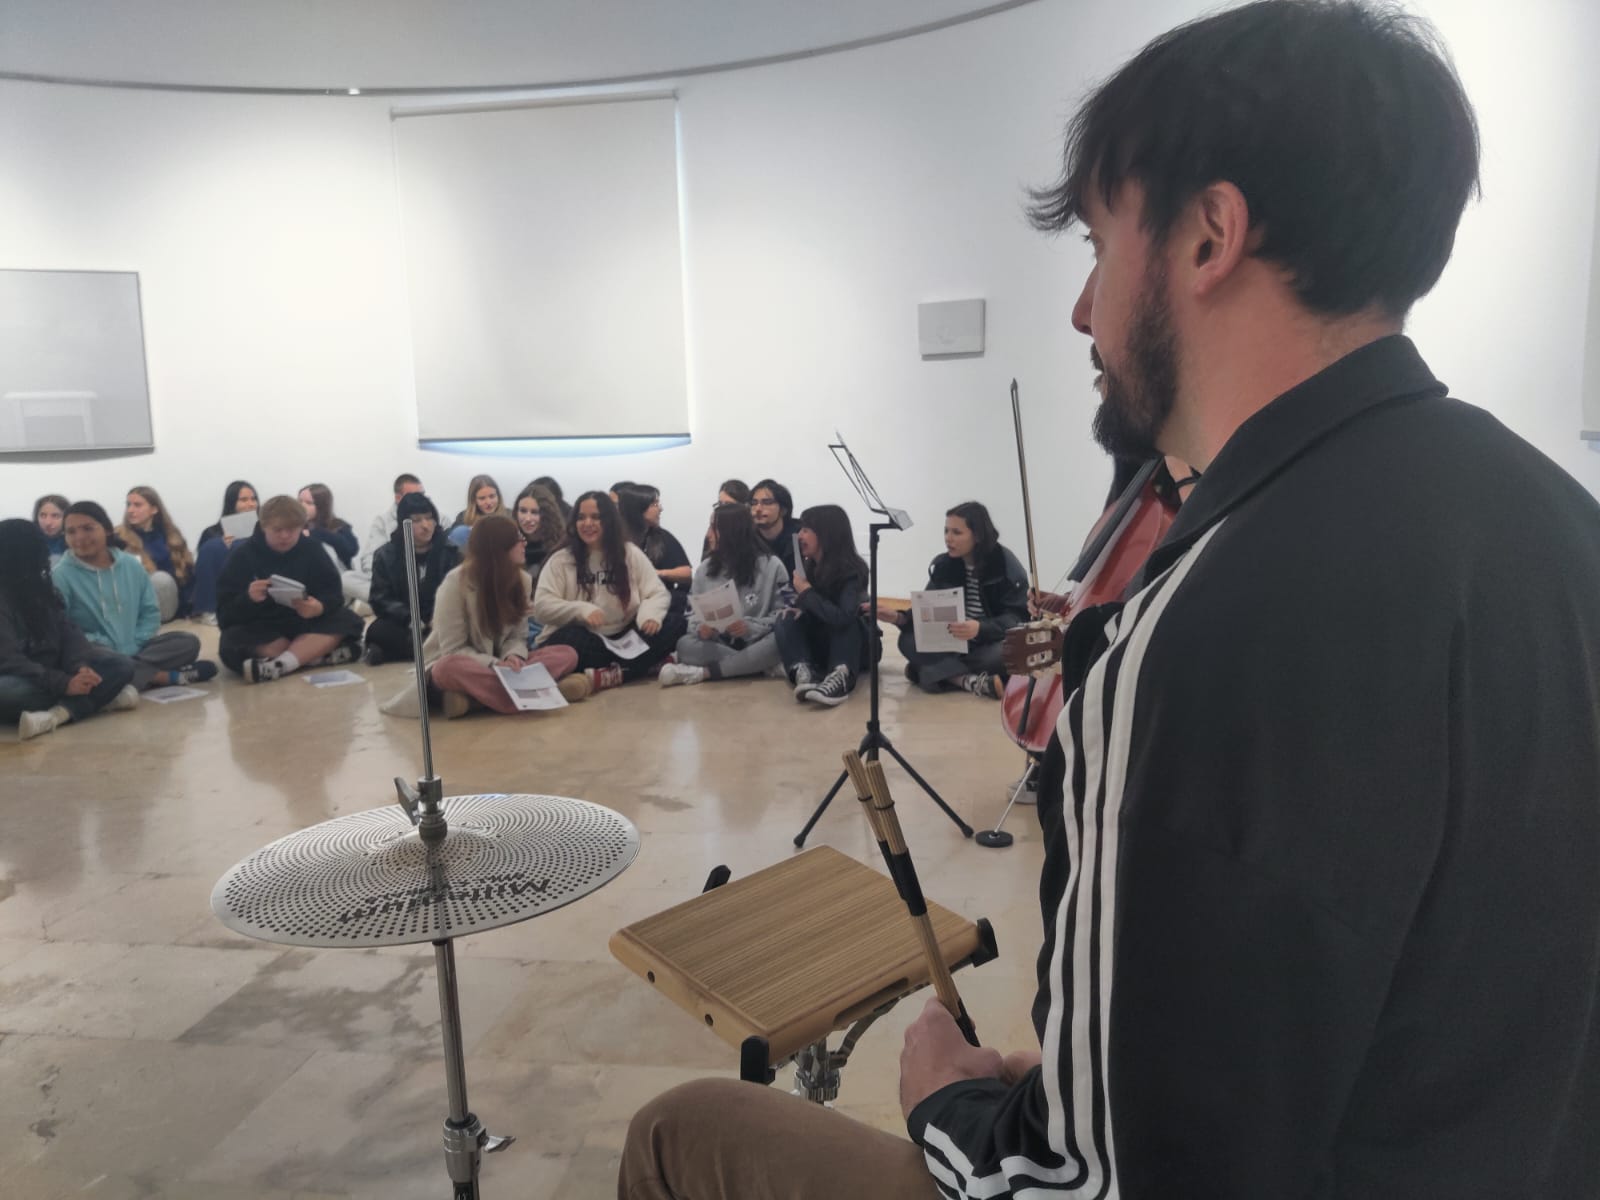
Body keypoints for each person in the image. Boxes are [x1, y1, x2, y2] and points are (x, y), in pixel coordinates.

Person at [621, 5, 1600, 1199]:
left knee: (683, 1130)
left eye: (1096, 244)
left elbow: (1087, 1187)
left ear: (1208, 236)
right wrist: (1092, 1081)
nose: (1083, 309)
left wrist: (949, 1104)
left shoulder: (1197, 628)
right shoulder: (1563, 526)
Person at [421, 513, 588, 716]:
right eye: (518, 539)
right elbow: (453, 649)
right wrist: (494, 664)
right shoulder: (455, 583)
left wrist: (513, 656)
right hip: (469, 663)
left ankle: (476, 700)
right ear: (498, 548)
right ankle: (531, 693)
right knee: (446, 668)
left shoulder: (522, 581)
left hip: (502, 664)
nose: (524, 544)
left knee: (567, 653)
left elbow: (518, 636)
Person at [53, 501, 217, 689]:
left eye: (88, 529)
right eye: (71, 532)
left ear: (107, 530)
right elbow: (65, 630)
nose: (79, 537)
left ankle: (127, 678)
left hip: (138, 646)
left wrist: (136, 642)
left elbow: (150, 612)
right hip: (97, 650)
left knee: (188, 643)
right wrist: (106, 644)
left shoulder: (130, 565)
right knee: (93, 658)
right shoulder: (61, 575)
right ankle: (164, 677)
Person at [0, 519, 137, 741]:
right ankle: (101, 699)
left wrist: (80, 667)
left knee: (121, 664)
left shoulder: (38, 587)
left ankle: (58, 715)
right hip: (22, 678)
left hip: (54, 673)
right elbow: (8, 660)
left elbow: (69, 633)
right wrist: (63, 683)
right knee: (5, 690)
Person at [874, 502, 1028, 699]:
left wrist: (980, 628)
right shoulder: (944, 565)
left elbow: (1017, 618)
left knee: (1007, 653)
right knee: (907, 641)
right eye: (946, 531)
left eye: (956, 532)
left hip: (989, 642)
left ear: (978, 535)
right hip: (951, 641)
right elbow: (925, 611)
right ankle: (967, 680)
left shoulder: (1005, 564)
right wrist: (899, 617)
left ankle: (932, 672)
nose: (948, 538)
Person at [532, 491, 681, 692]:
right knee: (567, 640)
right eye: (581, 517)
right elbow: (542, 607)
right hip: (588, 638)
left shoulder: (629, 553)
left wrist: (649, 616)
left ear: (609, 521)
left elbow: (656, 592)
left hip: (625, 636)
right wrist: (581, 610)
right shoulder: (561, 559)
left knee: (675, 623)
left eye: (596, 517)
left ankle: (612, 674)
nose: (587, 523)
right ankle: (641, 667)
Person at [215, 495, 364, 683]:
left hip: (304, 623)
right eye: (277, 530)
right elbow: (224, 615)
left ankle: (280, 665)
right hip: (263, 627)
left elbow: (334, 595)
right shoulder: (242, 556)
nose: (284, 536)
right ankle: (313, 657)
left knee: (347, 619)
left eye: (292, 530)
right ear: (263, 526)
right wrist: (248, 598)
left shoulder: (312, 549)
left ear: (302, 527)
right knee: (230, 641)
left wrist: (319, 607)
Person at [661, 502, 788, 687]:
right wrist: (701, 629)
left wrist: (749, 627)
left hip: (757, 641)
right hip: (718, 643)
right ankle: (758, 666)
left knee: (779, 642)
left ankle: (705, 673)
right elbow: (690, 615)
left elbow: (784, 615)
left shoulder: (772, 565)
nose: (708, 535)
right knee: (684, 645)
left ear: (731, 532)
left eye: (713, 528)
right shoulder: (705, 569)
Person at [773, 504, 869, 707]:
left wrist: (807, 592)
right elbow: (817, 610)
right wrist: (801, 608)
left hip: (853, 646)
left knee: (847, 622)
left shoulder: (852, 571)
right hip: (824, 643)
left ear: (826, 535)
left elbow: (843, 616)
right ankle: (804, 670)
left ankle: (840, 677)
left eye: (806, 530)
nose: (799, 535)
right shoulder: (810, 566)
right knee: (785, 618)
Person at [363, 492, 461, 666]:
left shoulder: (450, 551)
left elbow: (459, 593)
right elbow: (379, 598)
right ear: (404, 524)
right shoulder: (386, 555)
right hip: (407, 622)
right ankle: (430, 650)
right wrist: (409, 618)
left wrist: (439, 616)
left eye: (429, 518)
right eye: (416, 520)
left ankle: (399, 652)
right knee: (377, 630)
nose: (425, 525)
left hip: (441, 619)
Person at [116, 485, 194, 621]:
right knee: (160, 579)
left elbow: (187, 572)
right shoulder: (119, 538)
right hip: (140, 607)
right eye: (128, 505)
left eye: (137, 505)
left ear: (154, 509)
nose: (130, 510)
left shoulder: (170, 535)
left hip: (172, 604)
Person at [190, 480, 259, 624]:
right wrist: (224, 545)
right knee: (212, 546)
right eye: (244, 500)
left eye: (253, 499)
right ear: (232, 503)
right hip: (223, 582)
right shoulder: (211, 532)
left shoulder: (265, 528)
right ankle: (209, 610)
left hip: (251, 582)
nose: (251, 504)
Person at [350, 473, 425, 603]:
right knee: (347, 578)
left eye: (422, 495)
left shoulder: (438, 519)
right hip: (392, 581)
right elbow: (370, 557)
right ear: (398, 498)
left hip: (423, 578)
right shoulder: (382, 521)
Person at [617, 483, 693, 596]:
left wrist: (657, 573)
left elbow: (686, 573)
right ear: (638, 508)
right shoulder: (615, 539)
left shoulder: (662, 536)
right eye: (655, 504)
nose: (660, 509)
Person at [512, 482, 566, 591]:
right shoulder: (510, 543)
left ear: (547, 515)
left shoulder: (560, 546)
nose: (527, 518)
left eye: (534, 512)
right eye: (523, 511)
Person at [298, 483, 360, 574]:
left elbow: (351, 549)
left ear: (322, 506)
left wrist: (314, 534)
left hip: (336, 575)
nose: (302, 506)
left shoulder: (338, 525)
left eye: (309, 503)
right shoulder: (294, 527)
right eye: (299, 501)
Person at [750, 478, 803, 578]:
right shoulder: (747, 540)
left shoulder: (800, 537)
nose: (758, 509)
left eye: (767, 502)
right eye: (754, 503)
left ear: (783, 509)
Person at [447, 474, 506, 547]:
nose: (488, 502)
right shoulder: (463, 518)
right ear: (474, 500)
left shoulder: (510, 515)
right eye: (482, 498)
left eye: (492, 496)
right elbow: (452, 546)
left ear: (498, 496)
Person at [701, 478, 751, 558]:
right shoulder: (712, 533)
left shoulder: (754, 535)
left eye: (728, 504)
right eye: (720, 504)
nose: (722, 509)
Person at [33, 494, 68, 565]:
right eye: (43, 515)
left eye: (55, 516)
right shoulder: (28, 543)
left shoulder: (76, 545)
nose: (48, 523)